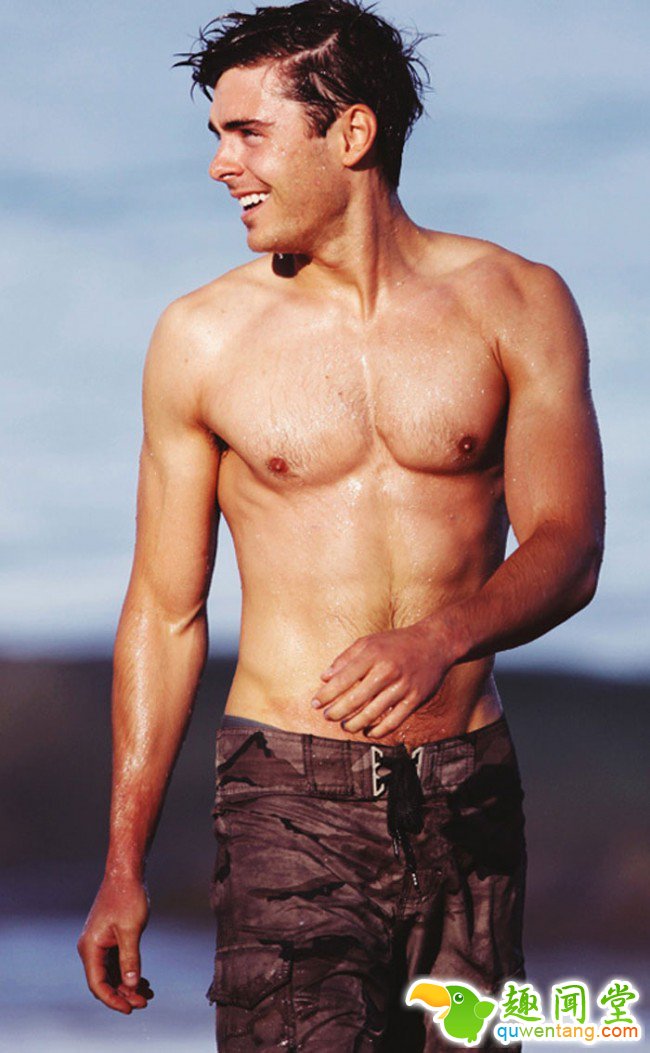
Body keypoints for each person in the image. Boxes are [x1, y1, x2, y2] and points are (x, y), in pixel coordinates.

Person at [77, 1, 605, 1049]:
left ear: (351, 133)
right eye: (217, 136)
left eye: (248, 133)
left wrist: (442, 637)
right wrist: (122, 865)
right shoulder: (202, 338)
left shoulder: (516, 302)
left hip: (468, 788)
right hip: (287, 796)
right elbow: (165, 614)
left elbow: (569, 548)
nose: (221, 165)